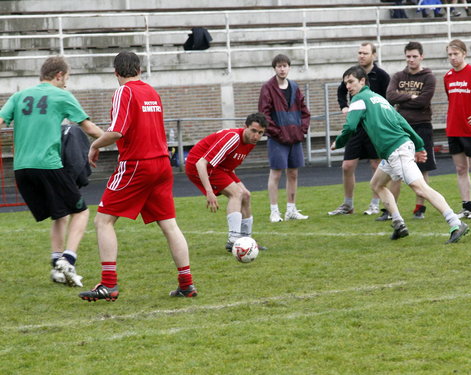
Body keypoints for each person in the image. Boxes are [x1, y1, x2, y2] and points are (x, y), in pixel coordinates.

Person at [79, 51, 197, 302]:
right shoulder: (152, 92)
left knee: (103, 221)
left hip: (137, 164)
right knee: (169, 224)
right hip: (162, 164)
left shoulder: (125, 91)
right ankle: (186, 284)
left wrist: (95, 145)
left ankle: (108, 284)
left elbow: (117, 132)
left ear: (116, 73)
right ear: (140, 70)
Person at [332, 65, 469, 244]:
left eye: (351, 82)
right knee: (377, 184)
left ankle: (455, 223)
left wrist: (338, 143)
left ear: (363, 81)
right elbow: (401, 121)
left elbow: (350, 127)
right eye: (346, 83)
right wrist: (419, 145)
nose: (348, 87)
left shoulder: (359, 99)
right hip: (396, 150)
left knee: (421, 188)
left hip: (396, 150)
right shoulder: (378, 98)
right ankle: (398, 223)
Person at [0, 56, 104, 287]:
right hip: (47, 165)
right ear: (58, 75)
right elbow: (89, 128)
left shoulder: (18, 96)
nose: (67, 83)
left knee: (59, 214)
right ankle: (68, 259)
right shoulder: (61, 95)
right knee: (81, 212)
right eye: (66, 78)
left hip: (21, 170)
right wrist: (117, 138)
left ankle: (57, 265)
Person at [185, 113, 268, 251]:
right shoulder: (233, 138)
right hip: (199, 165)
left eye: (260, 133)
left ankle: (246, 242)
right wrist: (209, 192)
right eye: (253, 131)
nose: (256, 136)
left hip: (219, 167)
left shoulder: (251, 142)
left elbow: (229, 163)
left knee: (246, 195)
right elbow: (201, 163)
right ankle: (234, 240)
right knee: (236, 193)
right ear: (245, 127)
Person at [329, 42, 391, 217]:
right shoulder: (352, 75)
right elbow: (341, 91)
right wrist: (344, 107)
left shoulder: (382, 76)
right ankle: (348, 204)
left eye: (365, 53)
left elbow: (387, 99)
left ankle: (374, 204)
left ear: (374, 55)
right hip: (356, 128)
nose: (361, 56)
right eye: (359, 53)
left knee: (376, 165)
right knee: (347, 166)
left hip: (374, 128)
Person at [386, 41, 437, 219]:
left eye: (415, 56)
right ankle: (391, 210)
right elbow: (390, 96)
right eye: (408, 56)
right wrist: (410, 96)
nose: (411, 60)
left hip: (422, 125)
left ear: (421, 56)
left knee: (422, 169)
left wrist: (403, 100)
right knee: (396, 171)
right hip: (401, 129)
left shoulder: (428, 77)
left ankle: (419, 209)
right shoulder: (398, 76)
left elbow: (423, 101)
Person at [258, 54, 311, 223]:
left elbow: (304, 111)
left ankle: (291, 209)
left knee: (293, 173)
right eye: (279, 66)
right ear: (274, 68)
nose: (282, 69)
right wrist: (278, 133)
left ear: (289, 67)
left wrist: (301, 130)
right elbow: (264, 115)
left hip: (294, 137)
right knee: (276, 174)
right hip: (277, 139)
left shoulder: (295, 87)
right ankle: (274, 211)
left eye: (285, 66)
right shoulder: (267, 88)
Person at [444, 39, 471, 219]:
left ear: (464, 54)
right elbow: (453, 101)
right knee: (460, 168)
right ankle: (466, 206)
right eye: (450, 55)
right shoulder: (448, 76)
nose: (453, 58)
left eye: (456, 54)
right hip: (453, 128)